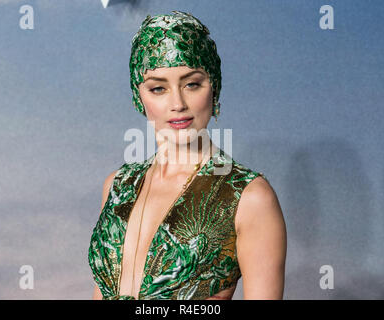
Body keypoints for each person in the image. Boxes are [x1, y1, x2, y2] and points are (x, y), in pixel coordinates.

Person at [88, 10, 287, 300]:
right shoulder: (118, 186)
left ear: (214, 87)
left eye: (192, 84)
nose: (177, 103)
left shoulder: (249, 197)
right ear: (138, 95)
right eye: (158, 88)